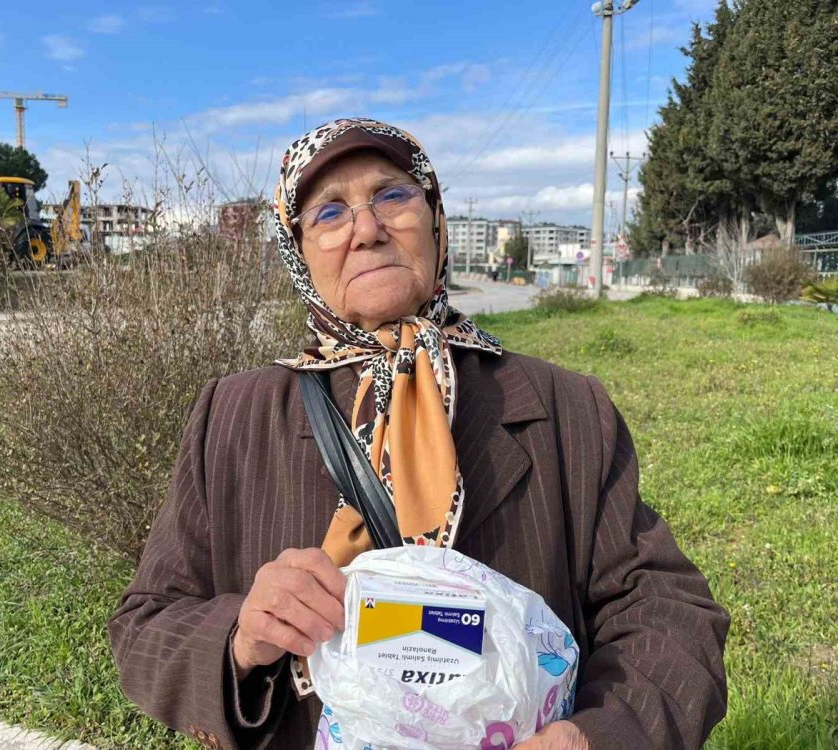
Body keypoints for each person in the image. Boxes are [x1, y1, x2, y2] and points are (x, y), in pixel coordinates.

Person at [108, 118, 729, 750]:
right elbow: (145, 625)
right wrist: (241, 635)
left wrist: (594, 737)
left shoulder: (565, 407)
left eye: (392, 195)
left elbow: (669, 613)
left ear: (435, 219)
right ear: (299, 251)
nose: (367, 229)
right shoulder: (234, 415)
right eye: (329, 213)